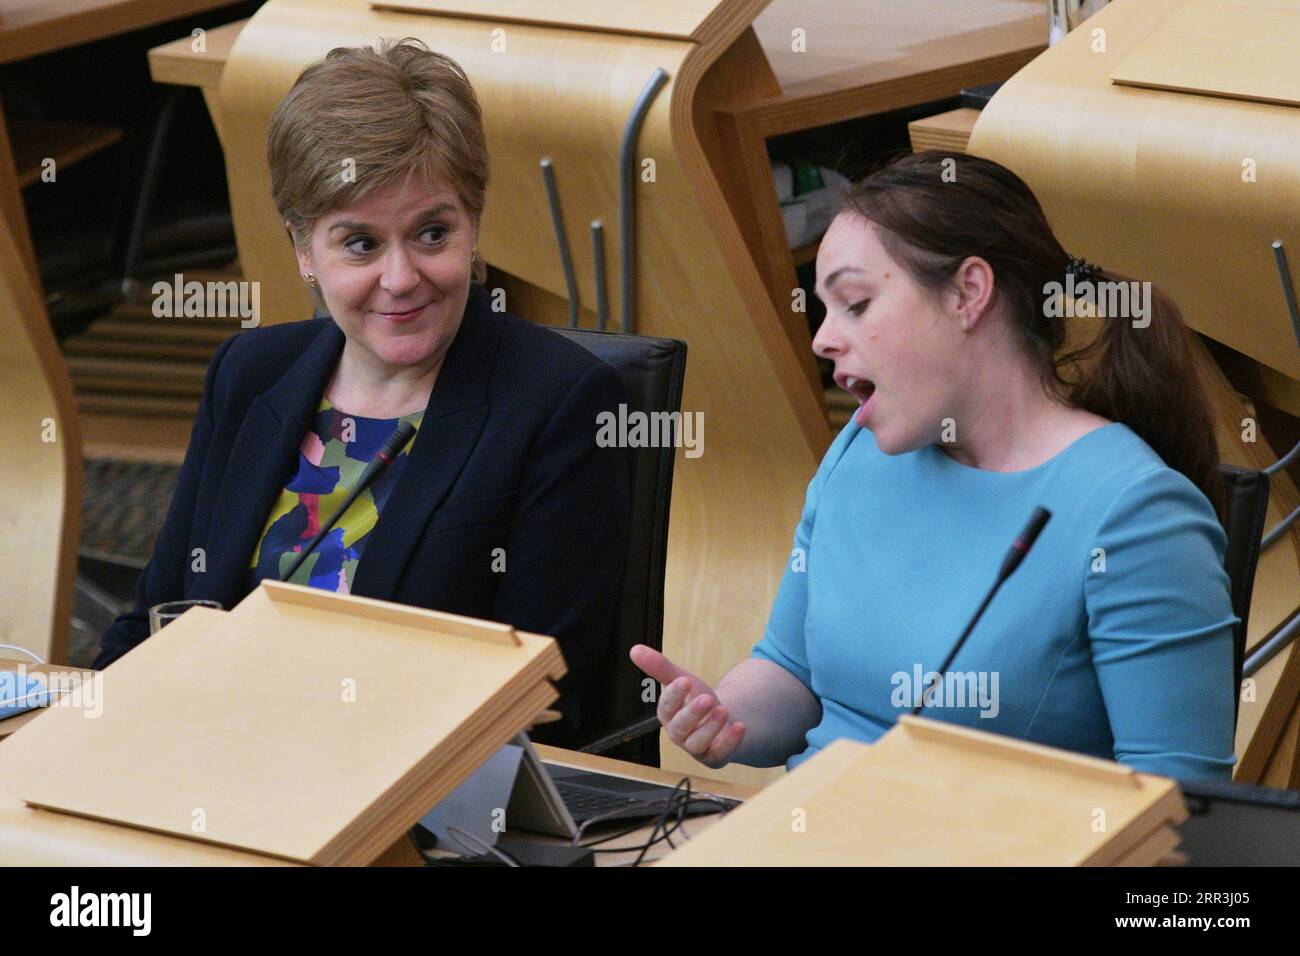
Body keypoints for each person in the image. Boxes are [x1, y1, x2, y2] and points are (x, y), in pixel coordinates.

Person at [94, 39, 631, 748]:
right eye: (360, 244)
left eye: (432, 233)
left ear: (474, 227)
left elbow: (533, 697)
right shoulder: (249, 372)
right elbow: (155, 620)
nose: (402, 277)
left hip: (407, 802)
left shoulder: (562, 404)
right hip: (204, 758)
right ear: (302, 250)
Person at [633, 151, 1237, 780]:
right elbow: (790, 673)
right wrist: (722, 714)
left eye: (857, 303)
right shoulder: (858, 452)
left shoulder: (1136, 514)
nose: (822, 339)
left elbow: (1183, 813)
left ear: (968, 294)